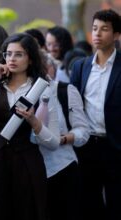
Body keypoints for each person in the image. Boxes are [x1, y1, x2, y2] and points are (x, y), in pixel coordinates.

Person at [0, 33, 60, 220]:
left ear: (30, 58)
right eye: (8, 54)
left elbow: (54, 141)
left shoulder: (43, 88)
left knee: (26, 211)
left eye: (19, 54)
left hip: (27, 160)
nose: (12, 59)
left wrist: (34, 121)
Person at [70, 9, 121, 220]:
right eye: (94, 29)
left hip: (116, 146)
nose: (98, 34)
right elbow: (72, 105)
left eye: (104, 29)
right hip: (87, 145)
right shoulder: (80, 67)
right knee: (88, 204)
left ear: (116, 35)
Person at [37, 80, 89, 220]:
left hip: (61, 167)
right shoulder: (14, 90)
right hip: (28, 172)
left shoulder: (63, 90)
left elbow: (83, 130)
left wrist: (62, 139)